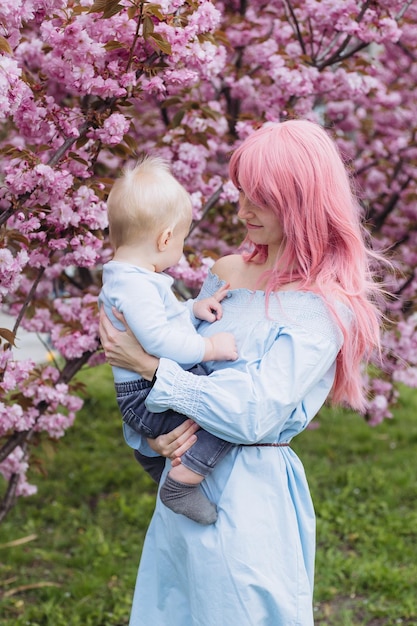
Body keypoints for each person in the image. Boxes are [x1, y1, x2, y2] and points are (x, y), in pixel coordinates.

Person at [99, 119, 385, 625]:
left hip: (250, 491)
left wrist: (146, 365)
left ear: (301, 201)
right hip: (182, 484)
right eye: (241, 193)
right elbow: (187, 362)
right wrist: (154, 439)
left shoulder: (323, 305)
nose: (242, 209)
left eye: (261, 198)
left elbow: (252, 410)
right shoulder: (228, 271)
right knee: (173, 609)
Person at [99, 155, 238, 525]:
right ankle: (181, 483)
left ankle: (152, 461)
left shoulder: (130, 279)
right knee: (225, 411)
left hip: (140, 394)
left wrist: (194, 308)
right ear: (165, 238)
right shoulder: (135, 286)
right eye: (181, 239)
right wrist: (210, 348)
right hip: (145, 398)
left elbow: (162, 320)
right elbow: (159, 339)